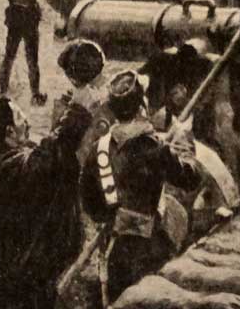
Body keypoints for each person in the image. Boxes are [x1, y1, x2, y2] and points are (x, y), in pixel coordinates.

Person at [80, 70, 201, 305]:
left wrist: (110, 217)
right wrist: (185, 142)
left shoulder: (99, 148)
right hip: (151, 249)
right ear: (142, 106)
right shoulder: (155, 148)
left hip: (115, 248)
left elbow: (89, 201)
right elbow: (190, 179)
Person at [0, 95, 92, 309]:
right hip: (14, 289)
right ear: (9, 132)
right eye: (21, 118)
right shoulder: (7, 169)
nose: (28, 122)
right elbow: (49, 158)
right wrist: (77, 113)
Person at [0, 0, 50, 105]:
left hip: (14, 17)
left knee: (9, 56)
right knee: (32, 58)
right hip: (27, 18)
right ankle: (35, 94)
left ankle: (3, 90)